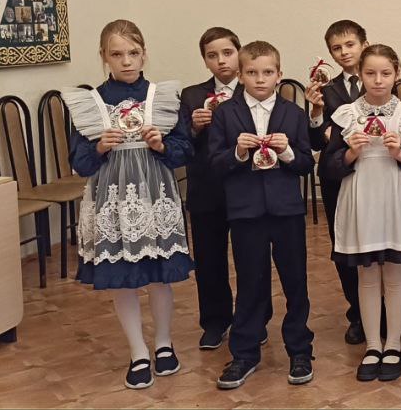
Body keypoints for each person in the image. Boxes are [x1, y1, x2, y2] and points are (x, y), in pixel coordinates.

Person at [64, 20, 194, 390]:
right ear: (103, 57)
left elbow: (185, 150)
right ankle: (138, 352)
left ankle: (164, 343)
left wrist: (162, 145)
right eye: (117, 54)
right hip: (111, 200)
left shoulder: (161, 98)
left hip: (155, 195)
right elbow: (80, 163)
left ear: (144, 54)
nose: (126, 61)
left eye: (133, 53)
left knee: (159, 274)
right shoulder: (91, 103)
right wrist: (99, 147)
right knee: (122, 276)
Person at [208, 41, 316, 389]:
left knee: (295, 281)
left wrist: (287, 152)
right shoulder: (225, 114)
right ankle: (245, 353)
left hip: (287, 210)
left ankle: (300, 350)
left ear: (279, 75)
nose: (260, 79)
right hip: (246, 212)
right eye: (252, 72)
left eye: (267, 72)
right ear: (240, 75)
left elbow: (305, 164)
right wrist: (238, 152)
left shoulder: (293, 113)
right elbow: (215, 164)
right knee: (250, 282)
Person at [324, 44, 401, 382]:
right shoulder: (346, 114)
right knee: (367, 275)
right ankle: (372, 345)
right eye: (370, 73)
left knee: (395, 273)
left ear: (396, 74)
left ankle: (393, 344)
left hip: (395, 198)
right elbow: (328, 167)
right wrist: (350, 154)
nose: (378, 80)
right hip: (360, 199)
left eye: (385, 73)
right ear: (360, 75)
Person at [304, 19, 371, 345]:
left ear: (364, 44)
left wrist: (339, 135)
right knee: (343, 246)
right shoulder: (326, 91)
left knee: (377, 245)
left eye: (350, 45)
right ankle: (357, 312)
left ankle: (382, 311)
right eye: (336, 48)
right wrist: (317, 113)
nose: (344, 52)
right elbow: (317, 141)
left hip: (376, 177)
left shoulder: (380, 80)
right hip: (338, 179)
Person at [178, 27, 244, 350]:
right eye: (212, 55)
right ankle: (215, 321)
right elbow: (180, 144)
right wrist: (193, 127)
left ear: (239, 54)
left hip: (245, 186)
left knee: (250, 258)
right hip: (206, 188)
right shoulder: (192, 96)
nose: (221, 61)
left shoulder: (253, 88)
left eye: (227, 53)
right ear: (205, 61)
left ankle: (251, 320)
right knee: (208, 260)